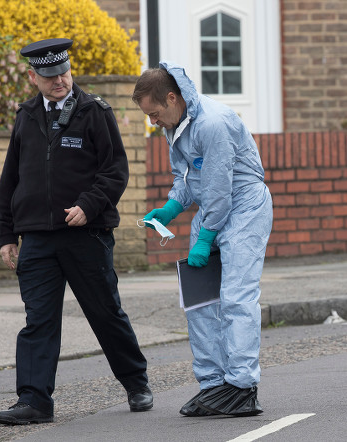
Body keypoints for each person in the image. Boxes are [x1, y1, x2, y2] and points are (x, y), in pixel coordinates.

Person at [0, 38, 153, 425]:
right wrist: (5, 232)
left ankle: (136, 383)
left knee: (105, 313)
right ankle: (34, 401)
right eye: (50, 77)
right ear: (33, 77)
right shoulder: (26, 116)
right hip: (36, 237)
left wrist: (89, 204)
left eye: (64, 73)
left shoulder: (94, 111)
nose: (59, 81)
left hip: (86, 236)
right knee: (39, 321)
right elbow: (11, 176)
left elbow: (115, 169)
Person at [132, 62, 273, 417]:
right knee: (199, 300)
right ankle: (213, 383)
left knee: (236, 297)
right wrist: (168, 208)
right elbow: (188, 179)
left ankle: (241, 386)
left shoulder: (213, 123)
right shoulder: (175, 124)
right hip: (212, 208)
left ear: (172, 97)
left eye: (154, 113)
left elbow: (219, 188)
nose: (153, 122)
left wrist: (205, 235)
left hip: (243, 207)